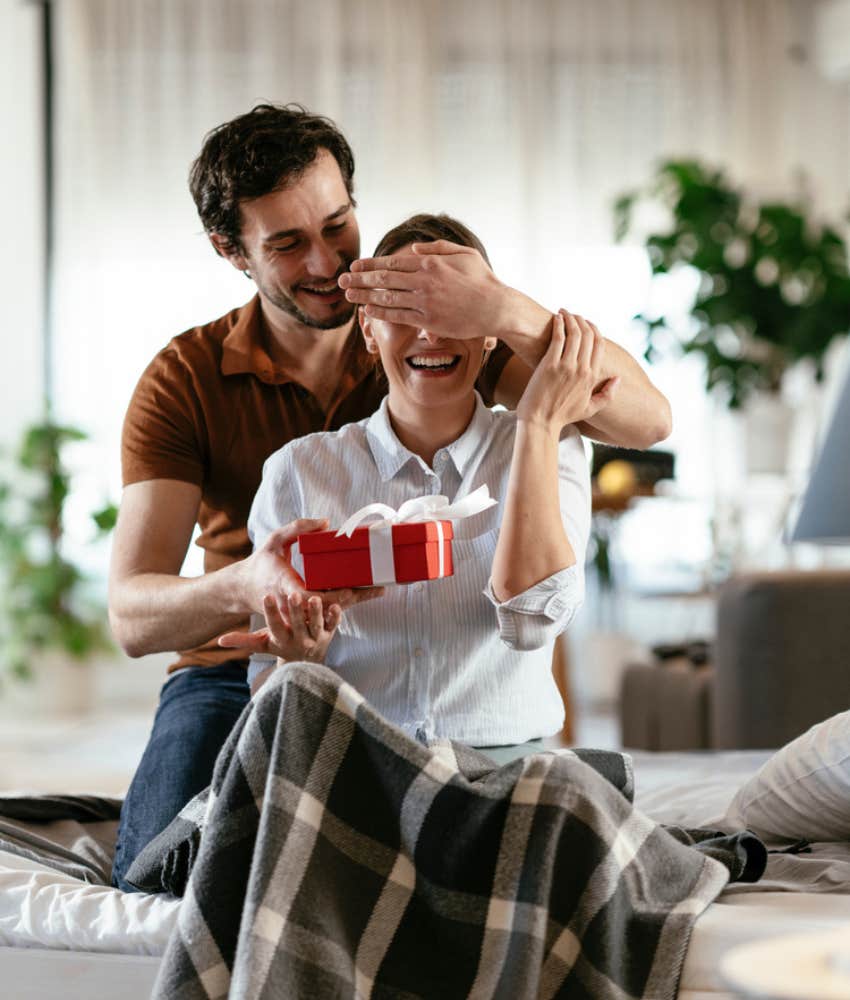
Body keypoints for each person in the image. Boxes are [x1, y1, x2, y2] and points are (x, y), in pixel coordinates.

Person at [108, 103, 671, 891]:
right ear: (230, 250)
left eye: (337, 226)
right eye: (287, 243)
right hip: (242, 656)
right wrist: (251, 584)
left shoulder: (426, 329)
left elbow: (646, 418)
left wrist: (504, 310)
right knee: (161, 878)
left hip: (437, 679)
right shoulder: (186, 381)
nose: (327, 263)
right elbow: (131, 616)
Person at [223, 213, 604, 760]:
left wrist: (538, 420)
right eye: (402, 313)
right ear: (368, 331)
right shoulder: (298, 472)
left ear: (492, 331)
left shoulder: (551, 443)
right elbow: (268, 696)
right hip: (357, 768)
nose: (429, 333)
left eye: (452, 313)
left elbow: (530, 624)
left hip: (506, 764)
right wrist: (299, 660)